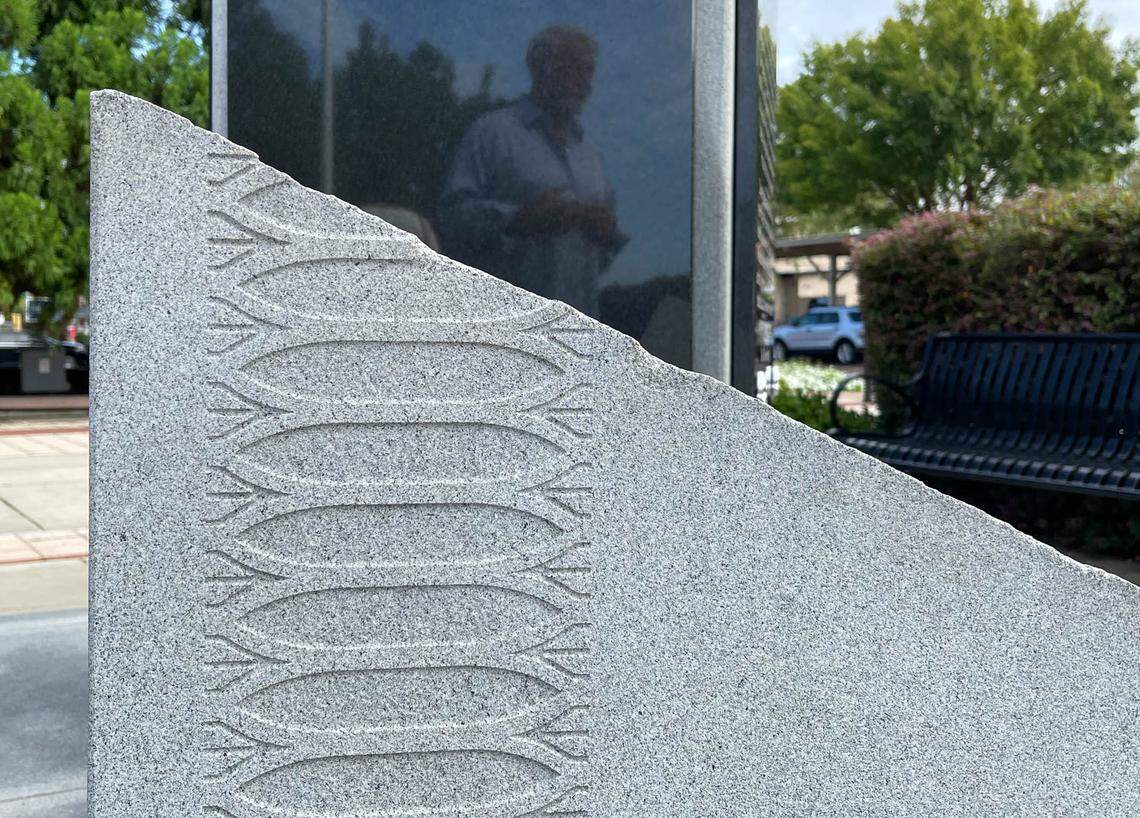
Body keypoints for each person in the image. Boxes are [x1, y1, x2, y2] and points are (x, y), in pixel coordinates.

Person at [438, 25, 627, 316]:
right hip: (506, 328)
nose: (584, 82)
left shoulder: (590, 156)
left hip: (580, 331)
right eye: (573, 67)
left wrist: (606, 234)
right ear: (539, 67)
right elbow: (451, 220)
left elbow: (603, 257)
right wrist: (519, 220)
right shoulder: (491, 134)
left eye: (588, 70)